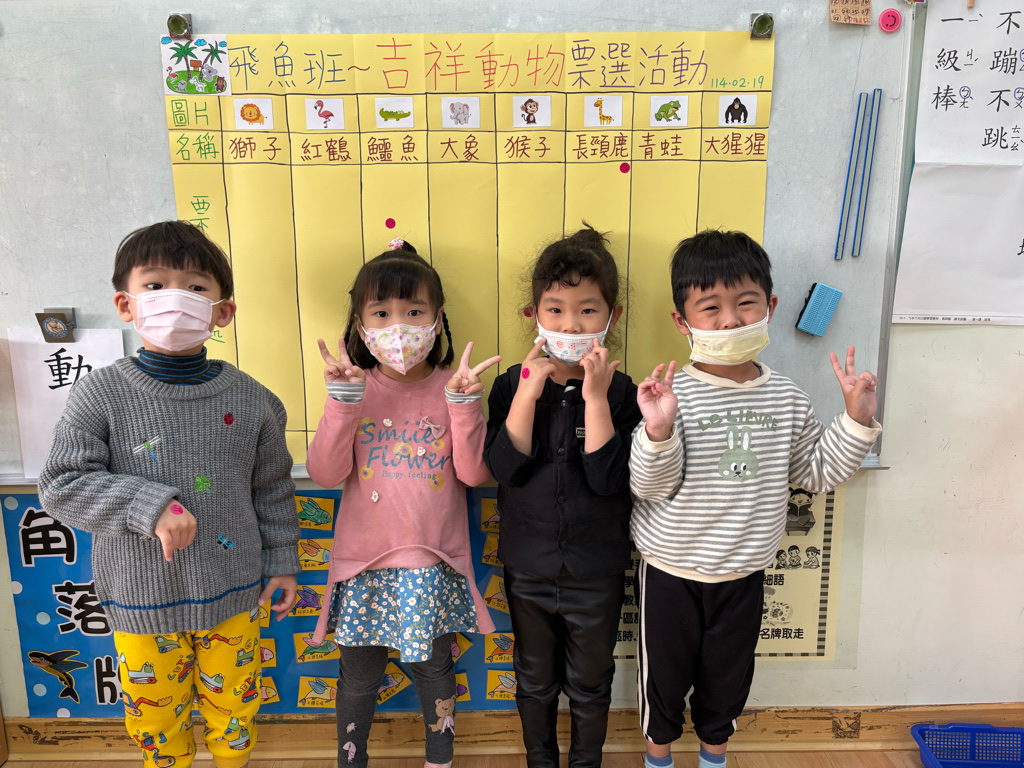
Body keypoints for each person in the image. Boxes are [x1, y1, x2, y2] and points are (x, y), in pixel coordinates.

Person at [38, 220, 300, 768]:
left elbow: (272, 489)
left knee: (235, 713)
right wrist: (150, 504)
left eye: (196, 286)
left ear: (222, 311)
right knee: (156, 723)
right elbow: (62, 484)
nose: (175, 298)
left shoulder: (255, 400)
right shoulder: (99, 393)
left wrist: (282, 563)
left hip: (234, 595)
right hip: (140, 600)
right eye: (155, 285)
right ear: (125, 303)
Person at [630, 229, 882, 768]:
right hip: (670, 570)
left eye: (745, 303)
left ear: (770, 307)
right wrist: (658, 432)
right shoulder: (670, 396)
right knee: (663, 683)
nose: (729, 320)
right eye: (710, 307)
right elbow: (648, 487)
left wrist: (856, 421)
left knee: (727, 682)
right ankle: (657, 759)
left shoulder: (787, 396)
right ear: (682, 321)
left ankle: (714, 758)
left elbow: (816, 473)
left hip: (744, 573)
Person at [305, 239, 499, 768]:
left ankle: (440, 759)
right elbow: (324, 474)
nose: (398, 326)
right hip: (363, 564)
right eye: (382, 313)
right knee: (358, 675)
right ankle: (351, 760)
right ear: (361, 324)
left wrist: (464, 405)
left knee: (434, 669)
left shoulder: (453, 386)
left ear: (437, 318)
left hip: (430, 561)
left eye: (414, 312)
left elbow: (474, 474)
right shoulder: (354, 387)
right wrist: (342, 404)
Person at [484, 225, 642, 768]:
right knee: (533, 677)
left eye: (587, 311)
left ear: (612, 317)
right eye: (555, 310)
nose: (571, 325)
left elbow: (609, 480)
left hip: (596, 568)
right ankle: (540, 760)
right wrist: (527, 395)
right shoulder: (511, 385)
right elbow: (503, 469)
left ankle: (585, 762)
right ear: (535, 315)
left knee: (591, 680)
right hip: (527, 566)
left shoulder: (623, 393)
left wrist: (595, 399)